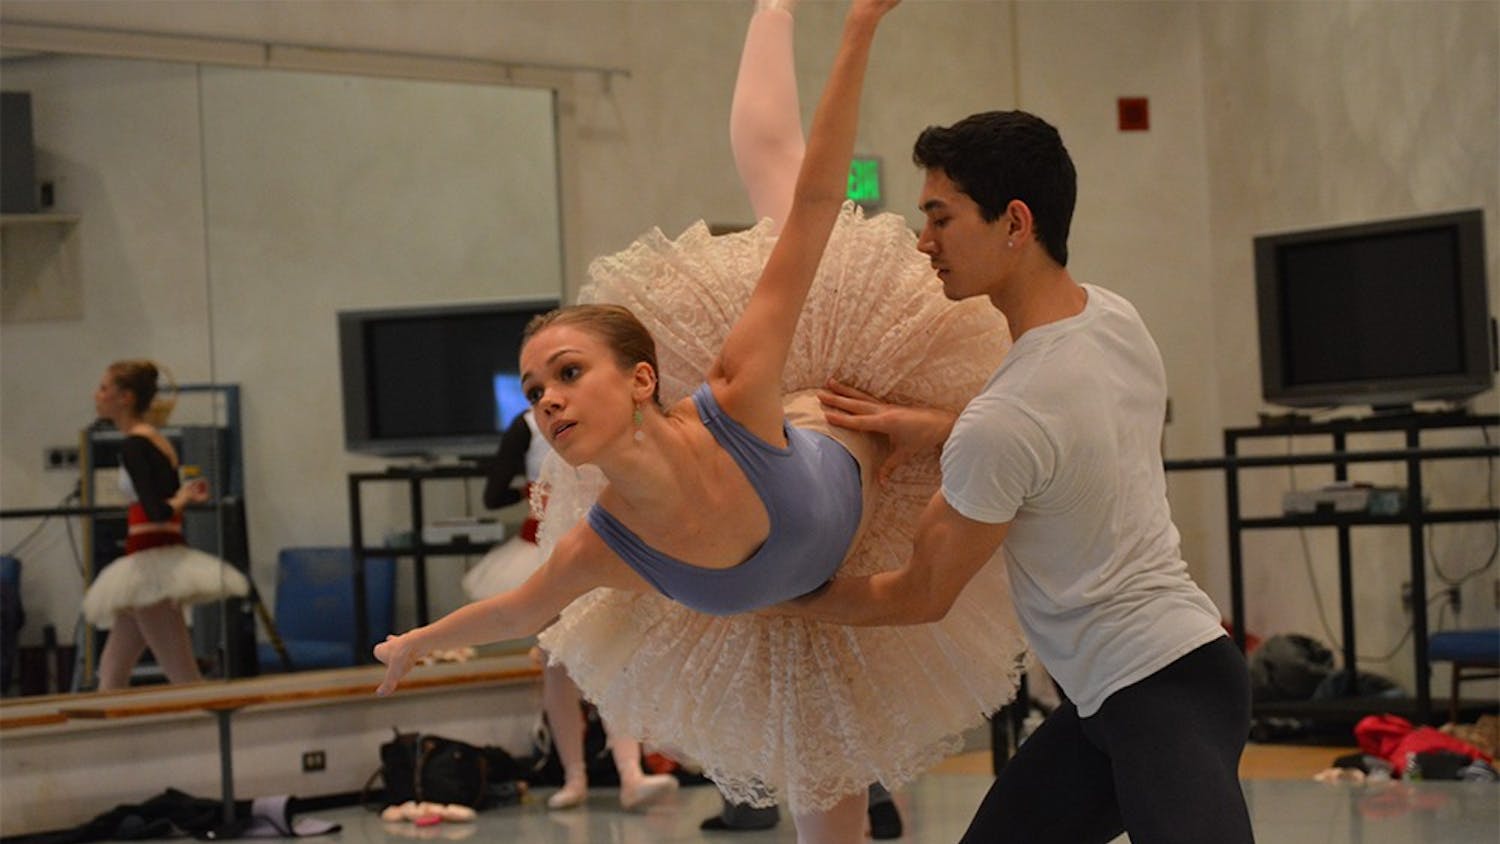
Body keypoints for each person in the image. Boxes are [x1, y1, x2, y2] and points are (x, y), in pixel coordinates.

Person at [376, 2, 1027, 841]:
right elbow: (515, 611)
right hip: (802, 609)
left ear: (643, 378)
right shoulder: (601, 546)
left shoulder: (738, 391)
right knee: (825, 804)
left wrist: (862, 25)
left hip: (850, 389)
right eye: (537, 390)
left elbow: (820, 200)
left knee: (778, 183)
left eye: (569, 374)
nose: (549, 402)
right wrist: (415, 643)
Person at [774, 110, 1256, 843]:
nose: (923, 240)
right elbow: (1067, 442)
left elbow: (919, 594)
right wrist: (939, 431)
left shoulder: (1005, 417)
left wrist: (781, 597)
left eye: (941, 217)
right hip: (1144, 686)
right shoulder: (1116, 319)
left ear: (1015, 222)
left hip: (1161, 692)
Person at [462, 409, 677, 811]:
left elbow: (493, 496)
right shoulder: (601, 413)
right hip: (573, 550)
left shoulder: (525, 425)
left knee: (563, 664)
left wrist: (531, 493)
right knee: (600, 659)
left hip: (568, 549)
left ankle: (580, 776)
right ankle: (625, 772)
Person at [81, 359, 250, 691]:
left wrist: (181, 500)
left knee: (182, 675)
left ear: (125, 397)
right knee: (112, 670)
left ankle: (213, 734)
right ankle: (113, 738)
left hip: (150, 565)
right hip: (149, 559)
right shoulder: (156, 441)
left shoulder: (135, 445)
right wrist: (182, 497)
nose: (96, 395)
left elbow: (156, 509)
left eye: (104, 388)